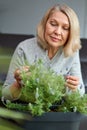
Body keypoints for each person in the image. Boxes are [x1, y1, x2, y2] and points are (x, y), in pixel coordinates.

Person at [2, 3, 85, 101]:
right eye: (53, 24)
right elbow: (5, 95)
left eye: (65, 28)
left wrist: (74, 88)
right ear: (45, 24)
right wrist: (17, 84)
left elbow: (79, 94)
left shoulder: (72, 51)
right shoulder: (24, 48)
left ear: (71, 33)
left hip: (56, 111)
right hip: (27, 110)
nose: (57, 32)